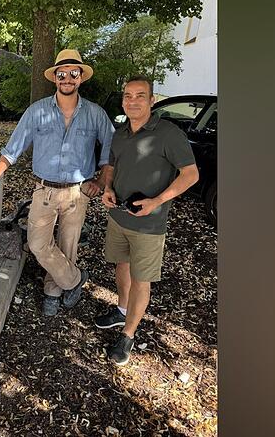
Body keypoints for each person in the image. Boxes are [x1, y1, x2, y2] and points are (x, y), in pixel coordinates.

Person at [0, 49, 115, 316]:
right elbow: (12, 148)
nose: (67, 78)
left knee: (67, 245)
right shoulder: (37, 111)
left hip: (77, 192)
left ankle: (53, 292)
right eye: (62, 74)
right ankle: (75, 280)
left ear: (80, 78)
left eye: (73, 73)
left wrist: (101, 180)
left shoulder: (96, 114)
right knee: (39, 245)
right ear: (55, 78)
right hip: (44, 191)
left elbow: (111, 150)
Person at [95, 76, 200, 365]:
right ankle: (121, 310)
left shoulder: (168, 134)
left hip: (149, 225)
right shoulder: (120, 133)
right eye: (128, 96)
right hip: (119, 217)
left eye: (140, 96)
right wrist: (107, 189)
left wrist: (157, 201)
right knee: (122, 266)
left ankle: (128, 334)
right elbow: (112, 167)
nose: (132, 101)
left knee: (142, 280)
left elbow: (191, 175)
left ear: (152, 100)